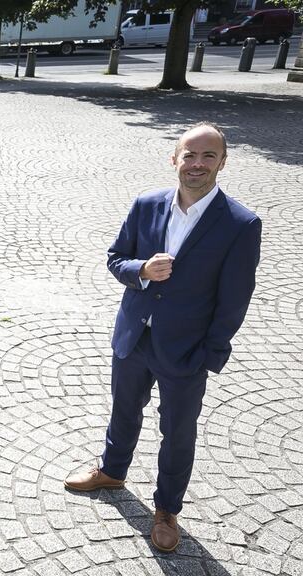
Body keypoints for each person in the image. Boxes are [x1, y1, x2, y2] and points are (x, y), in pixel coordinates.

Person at [64, 123, 262, 553]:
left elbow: (235, 300)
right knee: (123, 409)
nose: (197, 164)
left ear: (222, 162)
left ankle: (167, 508)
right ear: (174, 159)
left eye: (208, 156)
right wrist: (140, 271)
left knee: (178, 432)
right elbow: (116, 258)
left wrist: (209, 356)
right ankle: (112, 470)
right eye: (189, 154)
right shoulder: (146, 204)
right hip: (134, 336)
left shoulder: (240, 223)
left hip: (186, 351)